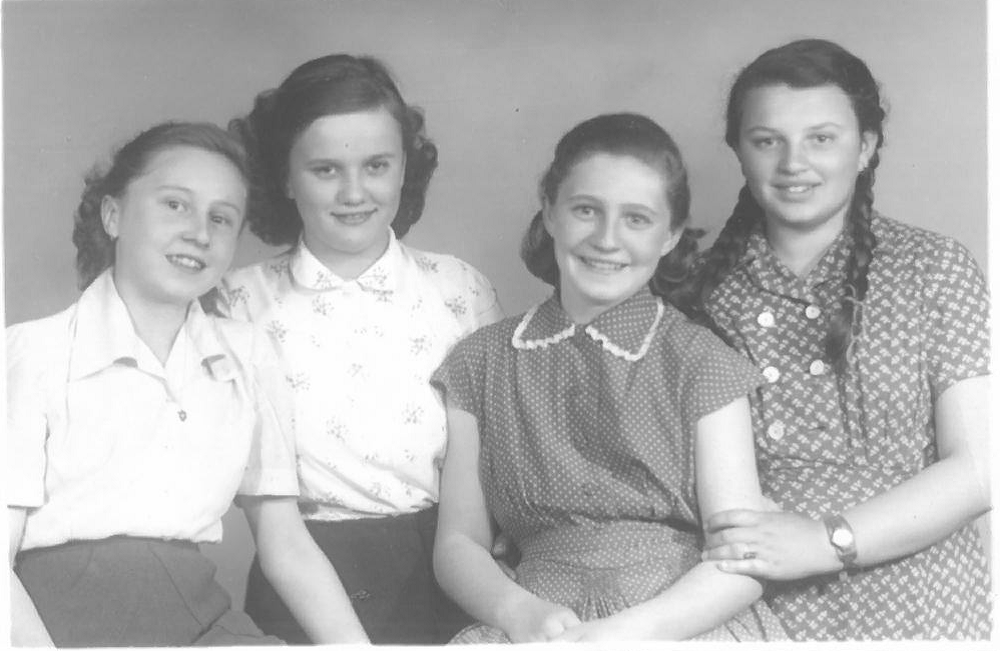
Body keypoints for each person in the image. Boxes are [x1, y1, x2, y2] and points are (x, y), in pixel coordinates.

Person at [6, 122, 369, 646]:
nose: (200, 233)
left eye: (221, 218)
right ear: (112, 215)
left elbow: (286, 543)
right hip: (55, 624)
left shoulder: (247, 355)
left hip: (198, 618)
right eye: (175, 205)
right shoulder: (32, 353)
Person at [431, 113, 788, 642]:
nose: (606, 239)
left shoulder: (702, 363)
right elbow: (458, 543)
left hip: (677, 622)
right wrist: (518, 612)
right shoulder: (480, 362)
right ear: (550, 212)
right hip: (537, 622)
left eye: (636, 219)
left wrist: (630, 633)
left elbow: (742, 555)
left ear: (670, 235)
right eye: (585, 210)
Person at [693, 39, 991, 640]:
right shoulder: (696, 293)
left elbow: (982, 466)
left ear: (866, 147)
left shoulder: (932, 267)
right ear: (739, 151)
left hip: (923, 601)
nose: (793, 163)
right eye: (767, 140)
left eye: (821, 138)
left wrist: (826, 540)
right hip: (754, 607)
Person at [223, 54, 502, 644]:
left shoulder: (460, 289)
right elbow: (271, 519)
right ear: (285, 177)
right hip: (303, 583)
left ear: (404, 169)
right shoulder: (238, 303)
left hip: (452, 571)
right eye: (325, 169)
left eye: (376, 165)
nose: (354, 193)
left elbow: (492, 465)